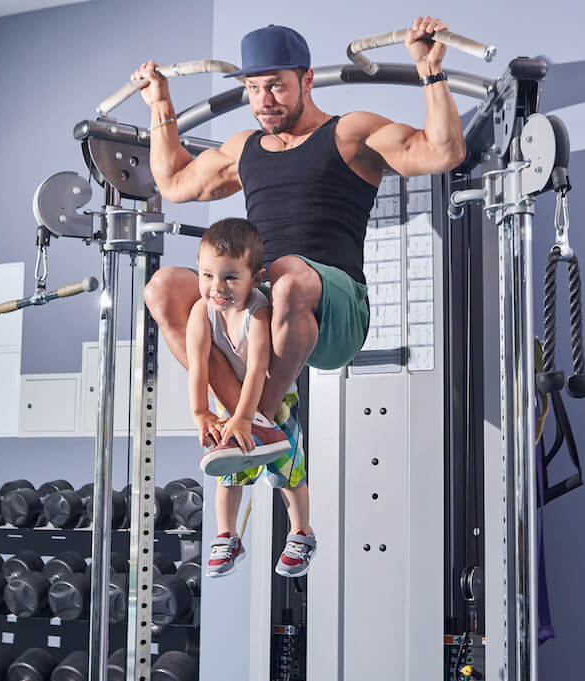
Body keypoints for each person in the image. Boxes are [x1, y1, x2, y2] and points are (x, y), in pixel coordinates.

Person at [134, 16, 465, 575]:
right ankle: (249, 424)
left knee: (288, 271)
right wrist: (159, 105)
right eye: (253, 87)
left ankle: (256, 419)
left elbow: (442, 152)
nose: (263, 99)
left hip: (335, 308)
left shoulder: (349, 132)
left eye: (276, 85)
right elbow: (173, 183)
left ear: (307, 79)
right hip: (262, 308)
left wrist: (430, 70)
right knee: (165, 287)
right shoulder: (245, 147)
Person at [188, 217, 312, 578]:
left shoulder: (257, 313)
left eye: (230, 277)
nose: (217, 287)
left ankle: (301, 531)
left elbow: (259, 369)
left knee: (287, 470)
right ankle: (227, 536)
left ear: (255, 279)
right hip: (231, 402)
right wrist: (201, 412)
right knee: (228, 472)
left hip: (276, 396)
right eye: (207, 275)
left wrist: (247, 418)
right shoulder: (202, 311)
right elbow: (199, 365)